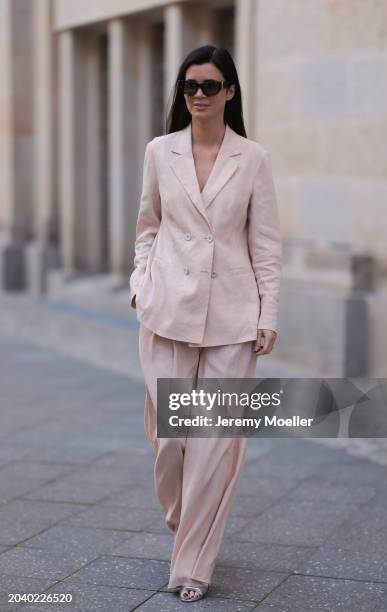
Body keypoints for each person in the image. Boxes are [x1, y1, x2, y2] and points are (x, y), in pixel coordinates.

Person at [129, 45, 282, 602]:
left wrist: (268, 314)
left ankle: (192, 565)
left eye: (210, 86)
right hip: (165, 311)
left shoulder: (253, 158)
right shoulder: (158, 151)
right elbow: (148, 225)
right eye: (190, 85)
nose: (198, 94)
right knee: (171, 441)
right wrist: (139, 284)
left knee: (214, 445)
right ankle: (183, 517)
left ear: (230, 92)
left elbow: (265, 244)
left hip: (232, 320)